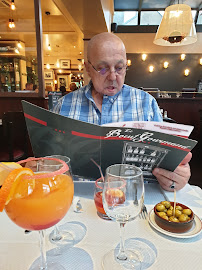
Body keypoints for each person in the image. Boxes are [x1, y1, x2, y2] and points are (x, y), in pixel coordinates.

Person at [53, 32, 192, 191]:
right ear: (88, 69)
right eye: (102, 68)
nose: (113, 76)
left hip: (132, 201)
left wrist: (174, 178)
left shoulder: (145, 103)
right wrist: (40, 165)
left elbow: (165, 165)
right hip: (76, 199)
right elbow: (52, 162)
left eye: (119, 68)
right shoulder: (63, 105)